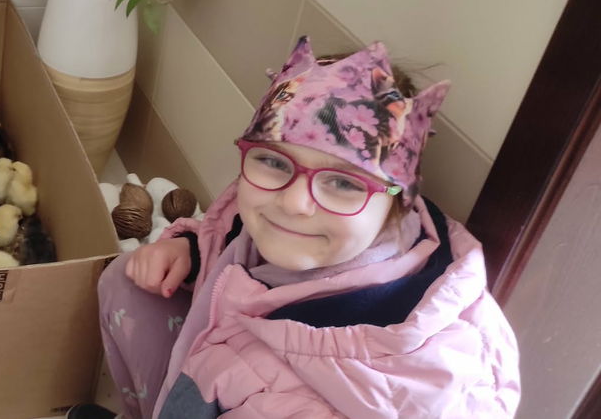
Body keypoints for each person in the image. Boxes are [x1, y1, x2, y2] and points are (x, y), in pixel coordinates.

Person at [72, 38, 520, 418]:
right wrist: (190, 248)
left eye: (343, 183)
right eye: (273, 160)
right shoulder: (353, 224)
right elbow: (231, 229)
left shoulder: (331, 391)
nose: (293, 202)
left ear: (396, 204)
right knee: (129, 279)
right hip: (221, 369)